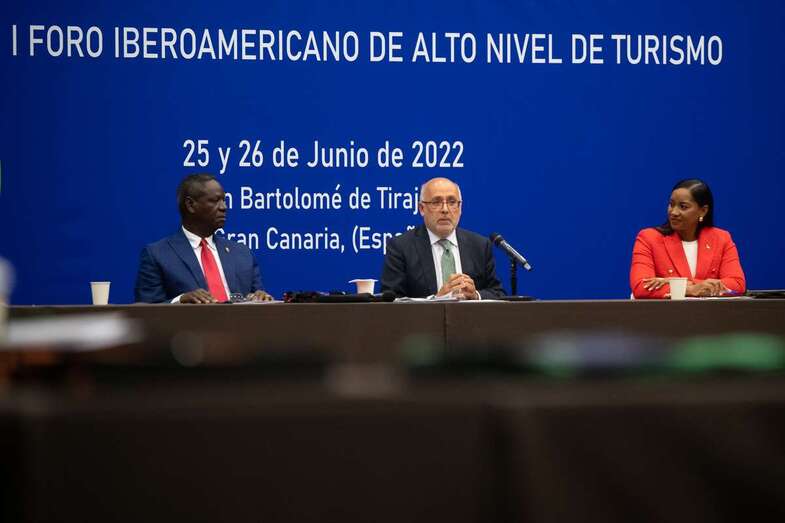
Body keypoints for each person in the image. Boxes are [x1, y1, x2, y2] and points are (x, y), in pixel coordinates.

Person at [135, 174, 273, 303]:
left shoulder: (242, 253)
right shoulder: (158, 255)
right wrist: (180, 300)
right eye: (215, 201)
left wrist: (260, 298)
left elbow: (258, 299)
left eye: (224, 201)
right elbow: (146, 312)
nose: (224, 207)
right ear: (190, 205)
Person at [381, 177, 505, 300]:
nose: (445, 209)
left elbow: (498, 293)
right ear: (421, 208)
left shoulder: (480, 246)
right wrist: (436, 300)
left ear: (460, 208)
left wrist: (475, 295)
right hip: (423, 320)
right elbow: (391, 301)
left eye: (452, 202)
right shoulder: (401, 247)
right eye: (436, 202)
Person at [630, 179, 745, 299]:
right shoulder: (648, 238)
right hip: (664, 315)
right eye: (671, 204)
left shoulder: (721, 239)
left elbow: (737, 285)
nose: (673, 212)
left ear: (703, 211)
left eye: (683, 207)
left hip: (709, 315)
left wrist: (670, 281)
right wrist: (690, 289)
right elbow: (640, 287)